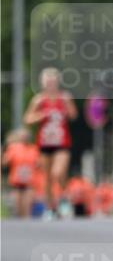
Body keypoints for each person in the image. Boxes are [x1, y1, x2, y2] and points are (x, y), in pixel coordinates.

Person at [23, 67, 77, 218]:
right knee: (47, 177)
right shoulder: (39, 100)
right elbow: (27, 119)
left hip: (62, 142)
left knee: (57, 172)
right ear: (43, 83)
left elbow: (73, 115)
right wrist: (40, 115)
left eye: (53, 82)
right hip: (45, 142)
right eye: (48, 82)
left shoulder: (64, 97)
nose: (50, 85)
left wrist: (66, 108)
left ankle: (64, 198)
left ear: (57, 82)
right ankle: (50, 207)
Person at [2, 128, 40, 218]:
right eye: (22, 136)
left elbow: (39, 164)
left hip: (30, 181)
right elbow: (5, 163)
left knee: (27, 206)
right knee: (17, 206)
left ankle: (26, 220)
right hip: (16, 181)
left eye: (26, 136)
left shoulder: (34, 149)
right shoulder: (13, 148)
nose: (24, 138)